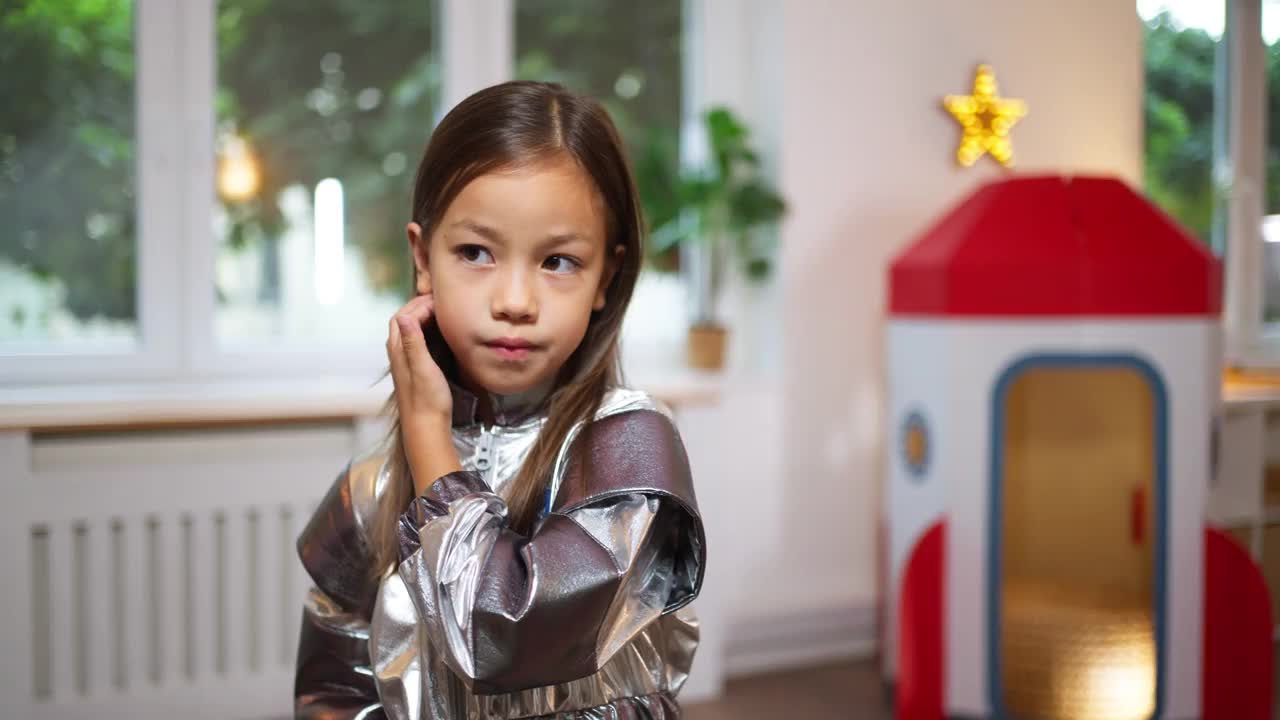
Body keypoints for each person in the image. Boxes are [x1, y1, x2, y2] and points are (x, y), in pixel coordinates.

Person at [293, 80, 706, 720]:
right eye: (476, 252)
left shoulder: (628, 454)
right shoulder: (372, 487)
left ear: (607, 277)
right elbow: (334, 690)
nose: (515, 300)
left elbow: (501, 635)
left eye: (559, 262)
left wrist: (428, 437)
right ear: (422, 259)